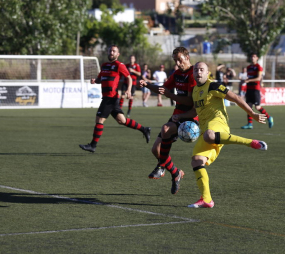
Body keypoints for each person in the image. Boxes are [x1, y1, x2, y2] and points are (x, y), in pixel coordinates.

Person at [171, 62, 268, 208]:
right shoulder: (196, 90)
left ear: (207, 72)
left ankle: (250, 142)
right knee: (196, 160)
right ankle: (207, 199)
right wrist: (181, 116)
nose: (198, 72)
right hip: (206, 130)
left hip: (218, 124)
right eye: (196, 70)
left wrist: (252, 113)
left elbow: (235, 97)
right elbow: (195, 112)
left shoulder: (213, 86)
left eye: (201, 70)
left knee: (209, 135)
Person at [139, 47, 197, 194]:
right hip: (177, 115)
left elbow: (190, 101)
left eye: (180, 60)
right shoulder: (177, 74)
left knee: (165, 129)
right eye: (175, 61)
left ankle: (161, 166)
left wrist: (170, 95)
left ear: (187, 57)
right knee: (155, 150)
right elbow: (163, 89)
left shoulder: (193, 74)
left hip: (190, 117)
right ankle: (176, 173)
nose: (177, 63)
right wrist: (147, 84)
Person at [79, 45, 151, 153]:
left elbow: (129, 78)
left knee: (99, 120)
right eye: (110, 51)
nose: (111, 52)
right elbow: (100, 79)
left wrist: (128, 90)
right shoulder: (104, 65)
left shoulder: (119, 65)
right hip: (111, 98)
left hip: (110, 98)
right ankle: (144, 129)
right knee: (122, 120)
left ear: (118, 54)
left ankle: (93, 145)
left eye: (114, 51)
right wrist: (95, 81)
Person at [241, 53, 274, 129]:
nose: (252, 58)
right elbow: (249, 77)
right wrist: (245, 81)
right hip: (249, 89)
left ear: (257, 58)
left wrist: (249, 80)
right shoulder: (248, 67)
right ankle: (250, 124)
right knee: (248, 107)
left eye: (254, 56)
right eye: (251, 56)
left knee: (257, 107)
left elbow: (259, 78)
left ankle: (269, 118)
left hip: (255, 89)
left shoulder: (259, 67)